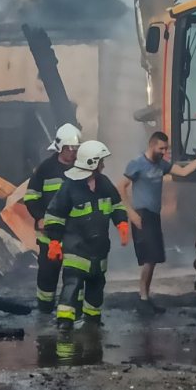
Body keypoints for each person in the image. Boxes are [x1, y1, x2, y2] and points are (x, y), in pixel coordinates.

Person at [119, 132, 196, 313]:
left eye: (166, 149)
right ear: (152, 145)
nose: (164, 152)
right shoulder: (137, 164)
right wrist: (131, 213)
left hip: (154, 215)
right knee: (149, 258)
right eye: (161, 148)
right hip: (142, 214)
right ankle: (142, 299)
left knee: (154, 259)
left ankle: (145, 298)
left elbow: (184, 171)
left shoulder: (162, 164)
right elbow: (120, 186)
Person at [44, 140, 129, 332]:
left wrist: (121, 223)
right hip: (76, 248)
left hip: (99, 249)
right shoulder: (70, 187)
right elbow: (55, 214)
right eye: (101, 161)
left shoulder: (104, 183)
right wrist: (54, 242)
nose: (103, 165)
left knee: (96, 285)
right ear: (92, 163)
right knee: (72, 284)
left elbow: (116, 205)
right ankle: (65, 321)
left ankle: (92, 319)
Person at [22, 123, 82, 313]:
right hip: (49, 234)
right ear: (60, 147)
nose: (74, 152)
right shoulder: (45, 169)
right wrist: (39, 217)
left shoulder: (82, 168)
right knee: (48, 274)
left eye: (76, 149)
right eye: (70, 148)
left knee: (75, 274)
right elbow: (31, 197)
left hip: (75, 234)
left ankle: (72, 310)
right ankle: (45, 309)